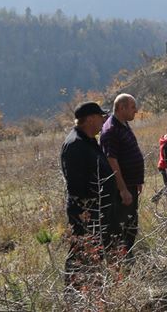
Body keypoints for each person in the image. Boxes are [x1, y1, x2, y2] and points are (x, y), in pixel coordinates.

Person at [60, 102, 117, 286]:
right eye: (101, 117)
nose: (103, 121)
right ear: (91, 119)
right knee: (81, 249)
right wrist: (89, 210)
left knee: (95, 250)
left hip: (97, 209)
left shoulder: (88, 140)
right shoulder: (75, 144)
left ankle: (93, 289)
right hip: (86, 211)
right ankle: (73, 291)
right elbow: (77, 186)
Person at [99, 93, 144, 257]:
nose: (136, 110)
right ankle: (121, 261)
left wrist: (137, 180)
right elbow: (112, 161)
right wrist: (123, 189)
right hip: (121, 190)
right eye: (132, 107)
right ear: (121, 108)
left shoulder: (123, 124)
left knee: (131, 223)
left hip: (131, 184)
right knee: (122, 225)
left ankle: (127, 257)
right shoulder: (111, 130)